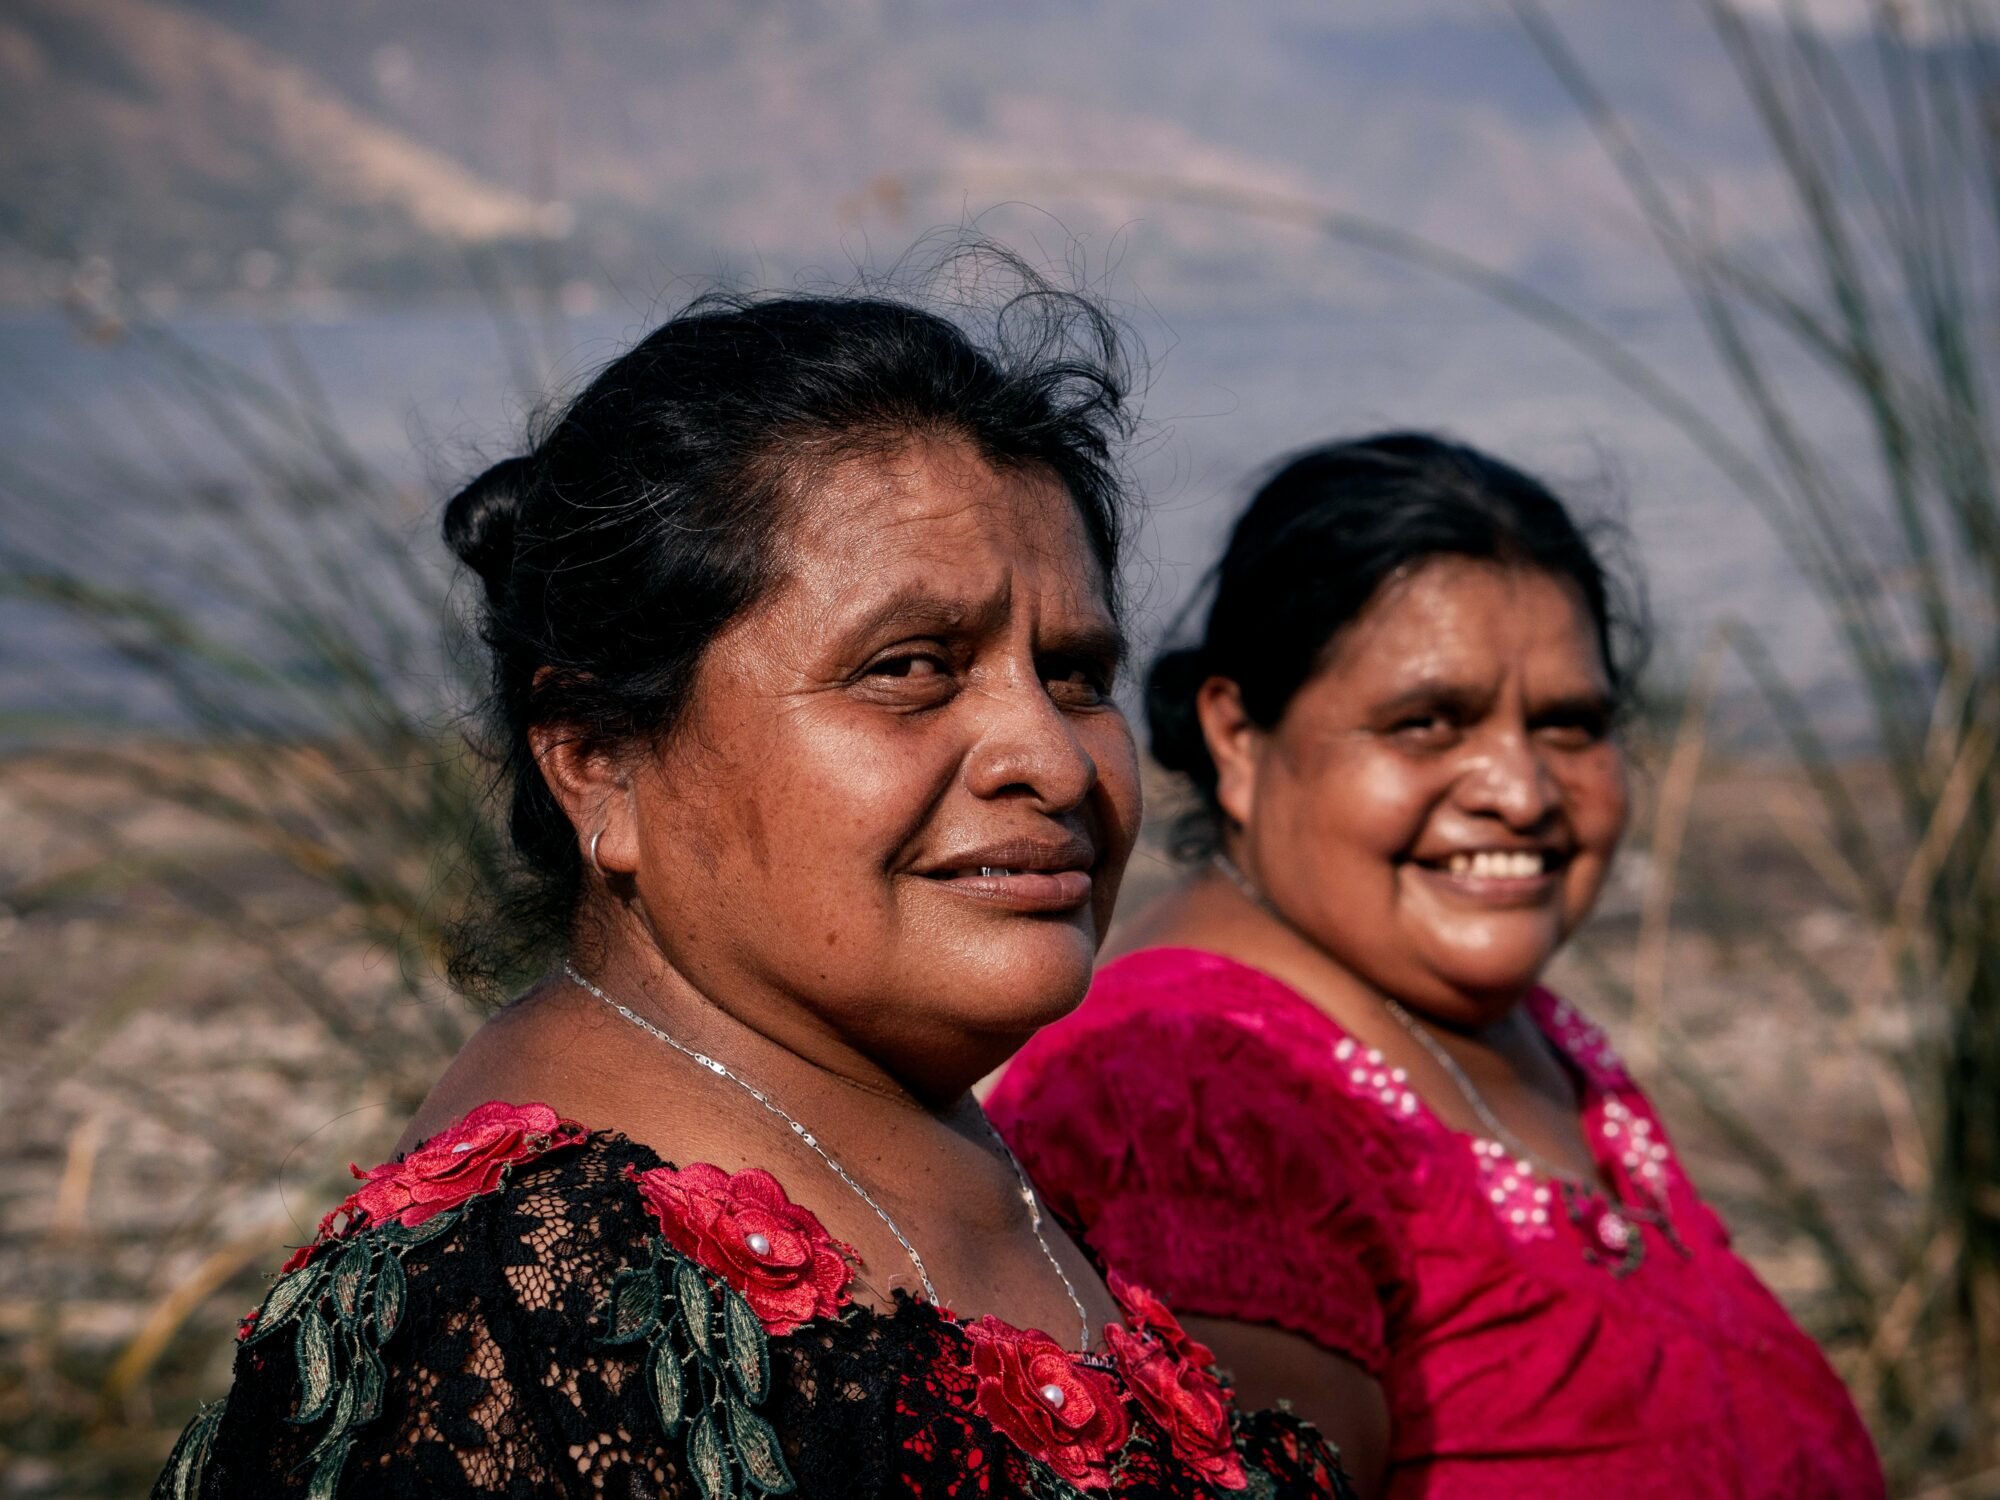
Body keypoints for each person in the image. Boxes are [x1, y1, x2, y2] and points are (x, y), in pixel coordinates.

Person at [151, 282, 1354, 1498]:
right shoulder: (521, 1318)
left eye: (1076, 673)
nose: (1048, 757)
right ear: (597, 761)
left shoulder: (921, 1138)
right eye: (908, 670)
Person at [989, 433, 1884, 1498]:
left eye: (1568, 725)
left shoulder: (1504, 1025)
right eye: (1425, 723)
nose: (1520, 789)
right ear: (1235, 737)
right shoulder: (1186, 1108)